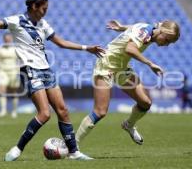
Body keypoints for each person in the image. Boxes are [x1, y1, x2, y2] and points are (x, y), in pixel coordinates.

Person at [0, 0, 105, 160]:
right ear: (34, 6)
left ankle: (74, 152)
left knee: (63, 110)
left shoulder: (43, 25)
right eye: (44, 9)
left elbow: (61, 43)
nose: (45, 12)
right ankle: (18, 148)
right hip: (29, 71)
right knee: (44, 114)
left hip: (46, 70)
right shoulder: (16, 21)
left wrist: (87, 48)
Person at [75, 19, 180, 147]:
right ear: (162, 31)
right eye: (167, 40)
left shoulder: (150, 28)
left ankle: (128, 125)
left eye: (170, 43)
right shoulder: (147, 32)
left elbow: (135, 27)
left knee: (145, 102)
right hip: (106, 65)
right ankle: (73, 146)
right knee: (100, 111)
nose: (166, 44)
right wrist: (150, 64)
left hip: (122, 67)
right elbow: (130, 49)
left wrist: (122, 27)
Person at [0, 33, 20, 118]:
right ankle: (3, 110)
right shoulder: (0, 49)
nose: (8, 40)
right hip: (3, 71)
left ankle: (14, 111)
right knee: (2, 90)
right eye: (6, 39)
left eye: (9, 39)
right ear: (4, 39)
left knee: (13, 92)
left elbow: (21, 59)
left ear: (11, 39)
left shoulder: (15, 49)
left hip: (13, 72)